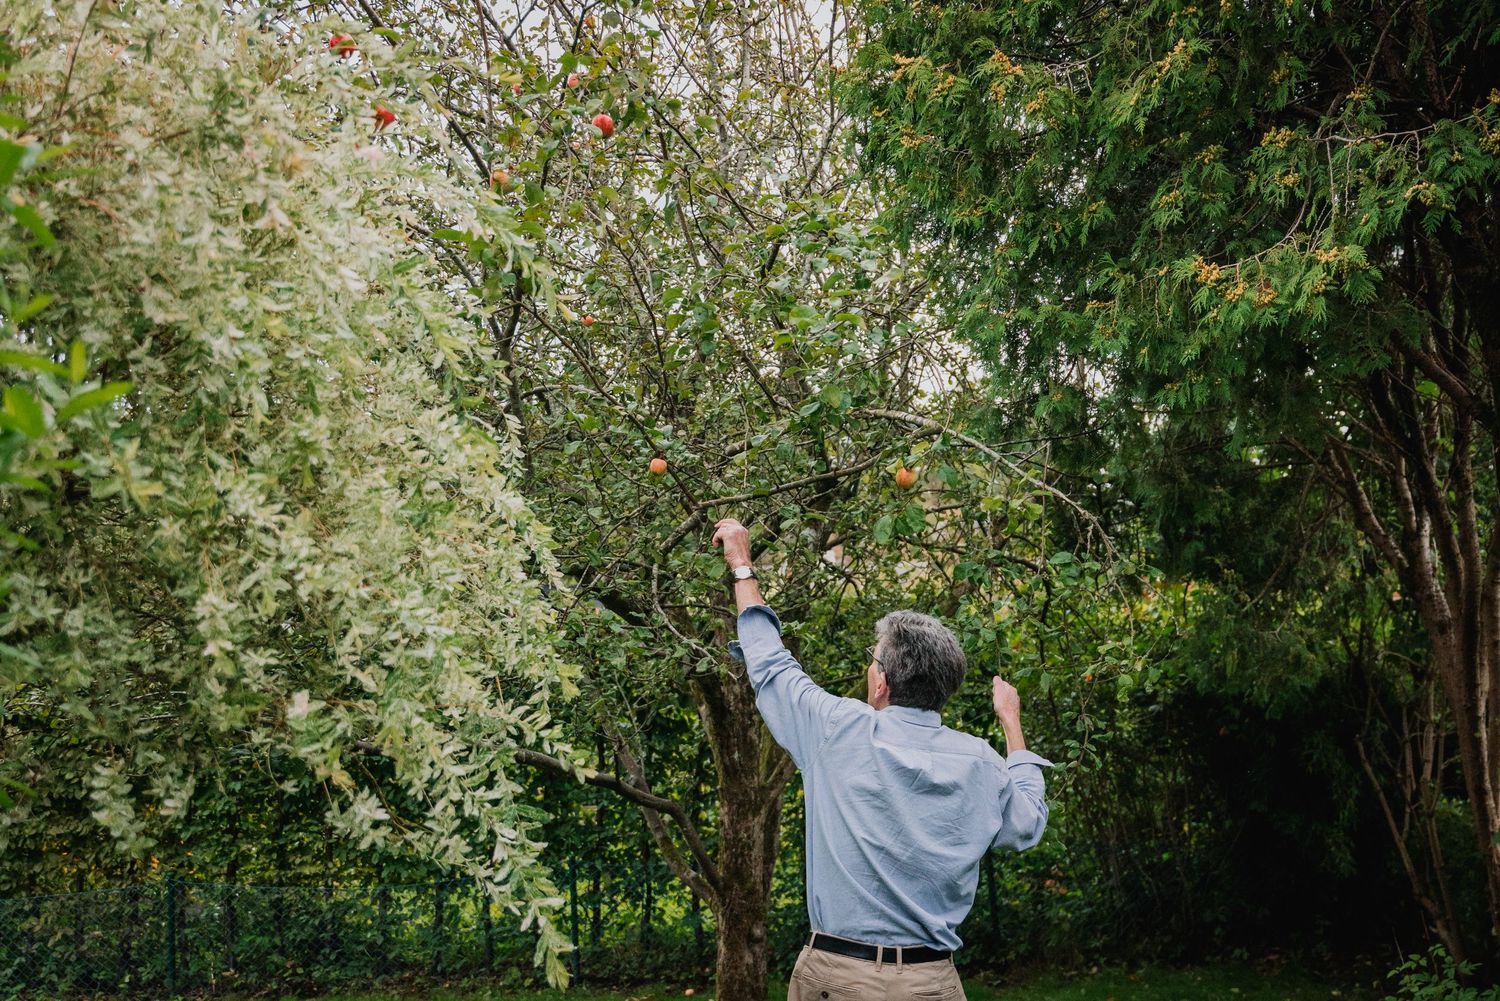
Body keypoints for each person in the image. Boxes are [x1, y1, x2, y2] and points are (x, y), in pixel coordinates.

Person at [710, 517, 1051, 1001]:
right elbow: (1027, 825)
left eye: (873, 660)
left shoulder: (838, 728)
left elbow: (769, 662)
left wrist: (742, 564)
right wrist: (1011, 723)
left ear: (881, 683)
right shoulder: (980, 761)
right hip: (932, 984)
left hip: (838, 980)